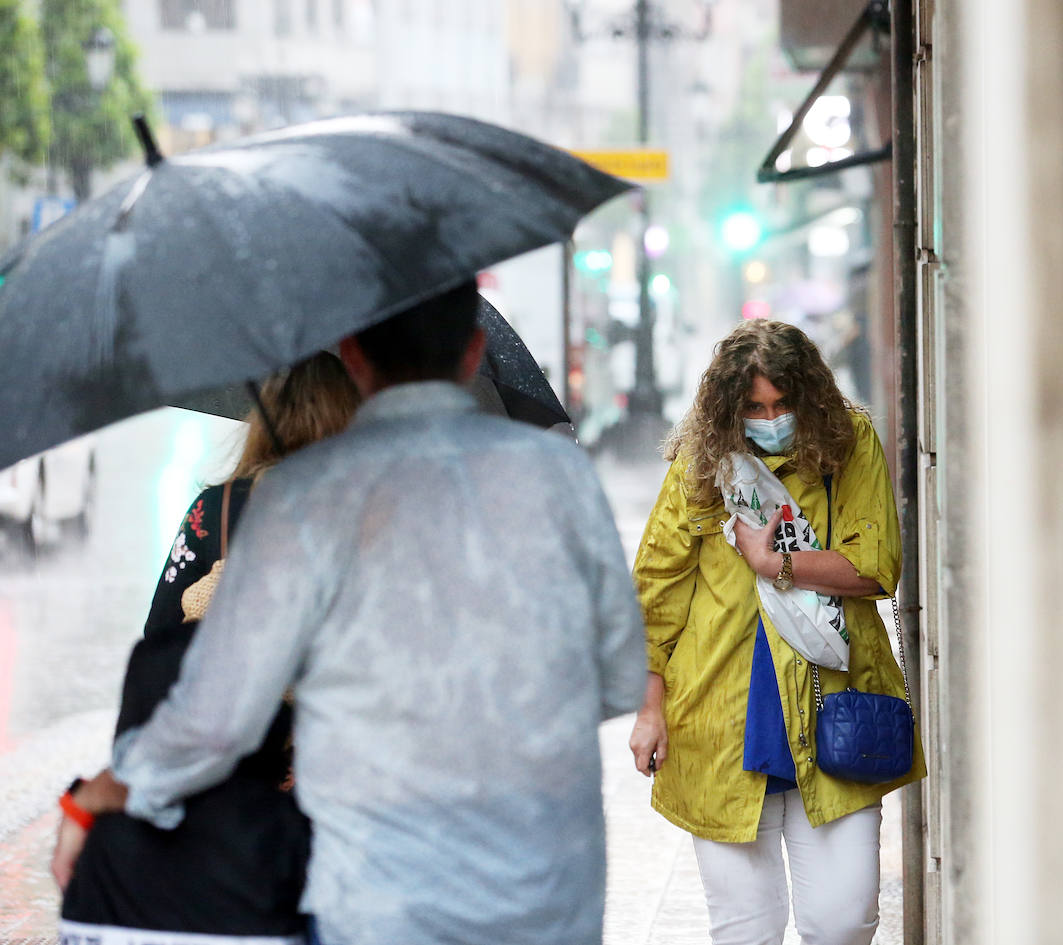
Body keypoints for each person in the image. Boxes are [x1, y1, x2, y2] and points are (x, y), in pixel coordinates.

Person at [52, 280, 647, 945]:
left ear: (353, 357)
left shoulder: (304, 496)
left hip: (377, 899)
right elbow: (622, 675)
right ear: (474, 348)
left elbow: (214, 717)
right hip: (547, 896)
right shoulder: (558, 476)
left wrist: (101, 794)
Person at [628, 319, 926, 945]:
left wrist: (774, 564)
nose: (771, 418)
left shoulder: (849, 444)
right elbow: (654, 597)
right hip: (720, 722)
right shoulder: (702, 465)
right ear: (729, 409)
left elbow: (875, 567)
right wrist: (650, 709)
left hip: (838, 712)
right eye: (755, 408)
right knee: (745, 932)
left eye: (783, 403)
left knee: (844, 921)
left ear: (810, 396)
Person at [59, 352, 361, 943]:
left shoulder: (215, 514)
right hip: (341, 795)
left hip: (230, 804)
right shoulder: (374, 510)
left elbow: (160, 650)